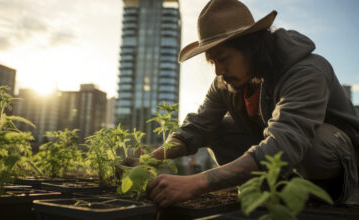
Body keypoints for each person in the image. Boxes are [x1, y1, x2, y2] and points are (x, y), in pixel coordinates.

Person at [126, 0, 359, 207]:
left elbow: (285, 142)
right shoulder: (226, 83)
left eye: (223, 58)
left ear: (252, 46)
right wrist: (149, 159)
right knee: (218, 128)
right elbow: (197, 127)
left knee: (317, 143)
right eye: (212, 62)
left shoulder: (305, 71)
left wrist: (195, 183)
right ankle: (263, 193)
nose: (218, 71)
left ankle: (317, 202)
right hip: (283, 167)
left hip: (338, 170)